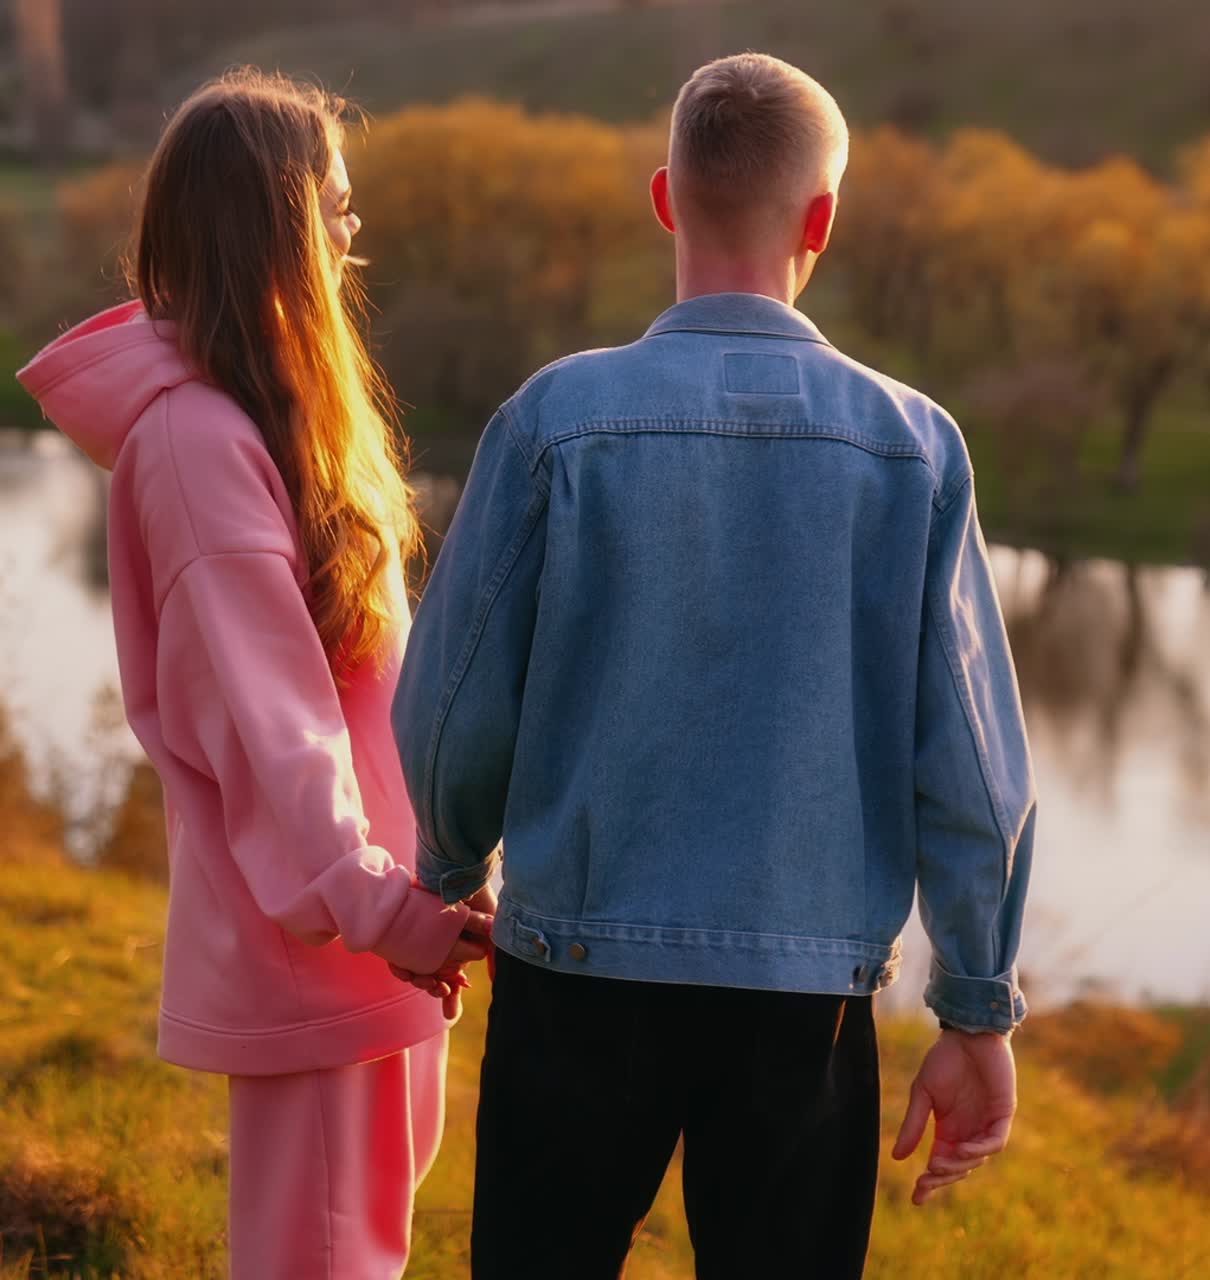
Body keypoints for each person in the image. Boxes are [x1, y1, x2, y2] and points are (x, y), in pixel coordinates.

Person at [393, 53, 1034, 1279]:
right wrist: (974, 1002)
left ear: (662, 199)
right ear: (823, 223)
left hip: (571, 970)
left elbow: (453, 693)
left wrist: (444, 869)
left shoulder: (553, 420)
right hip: (806, 1002)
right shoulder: (912, 447)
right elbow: (971, 761)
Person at [18, 70, 492, 1279]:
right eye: (333, 206)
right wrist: (383, 905)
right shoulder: (194, 444)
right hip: (330, 937)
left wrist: (434, 879)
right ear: (273, 224)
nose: (352, 233)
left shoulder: (274, 418)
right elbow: (270, 726)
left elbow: (362, 693)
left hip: (379, 929)